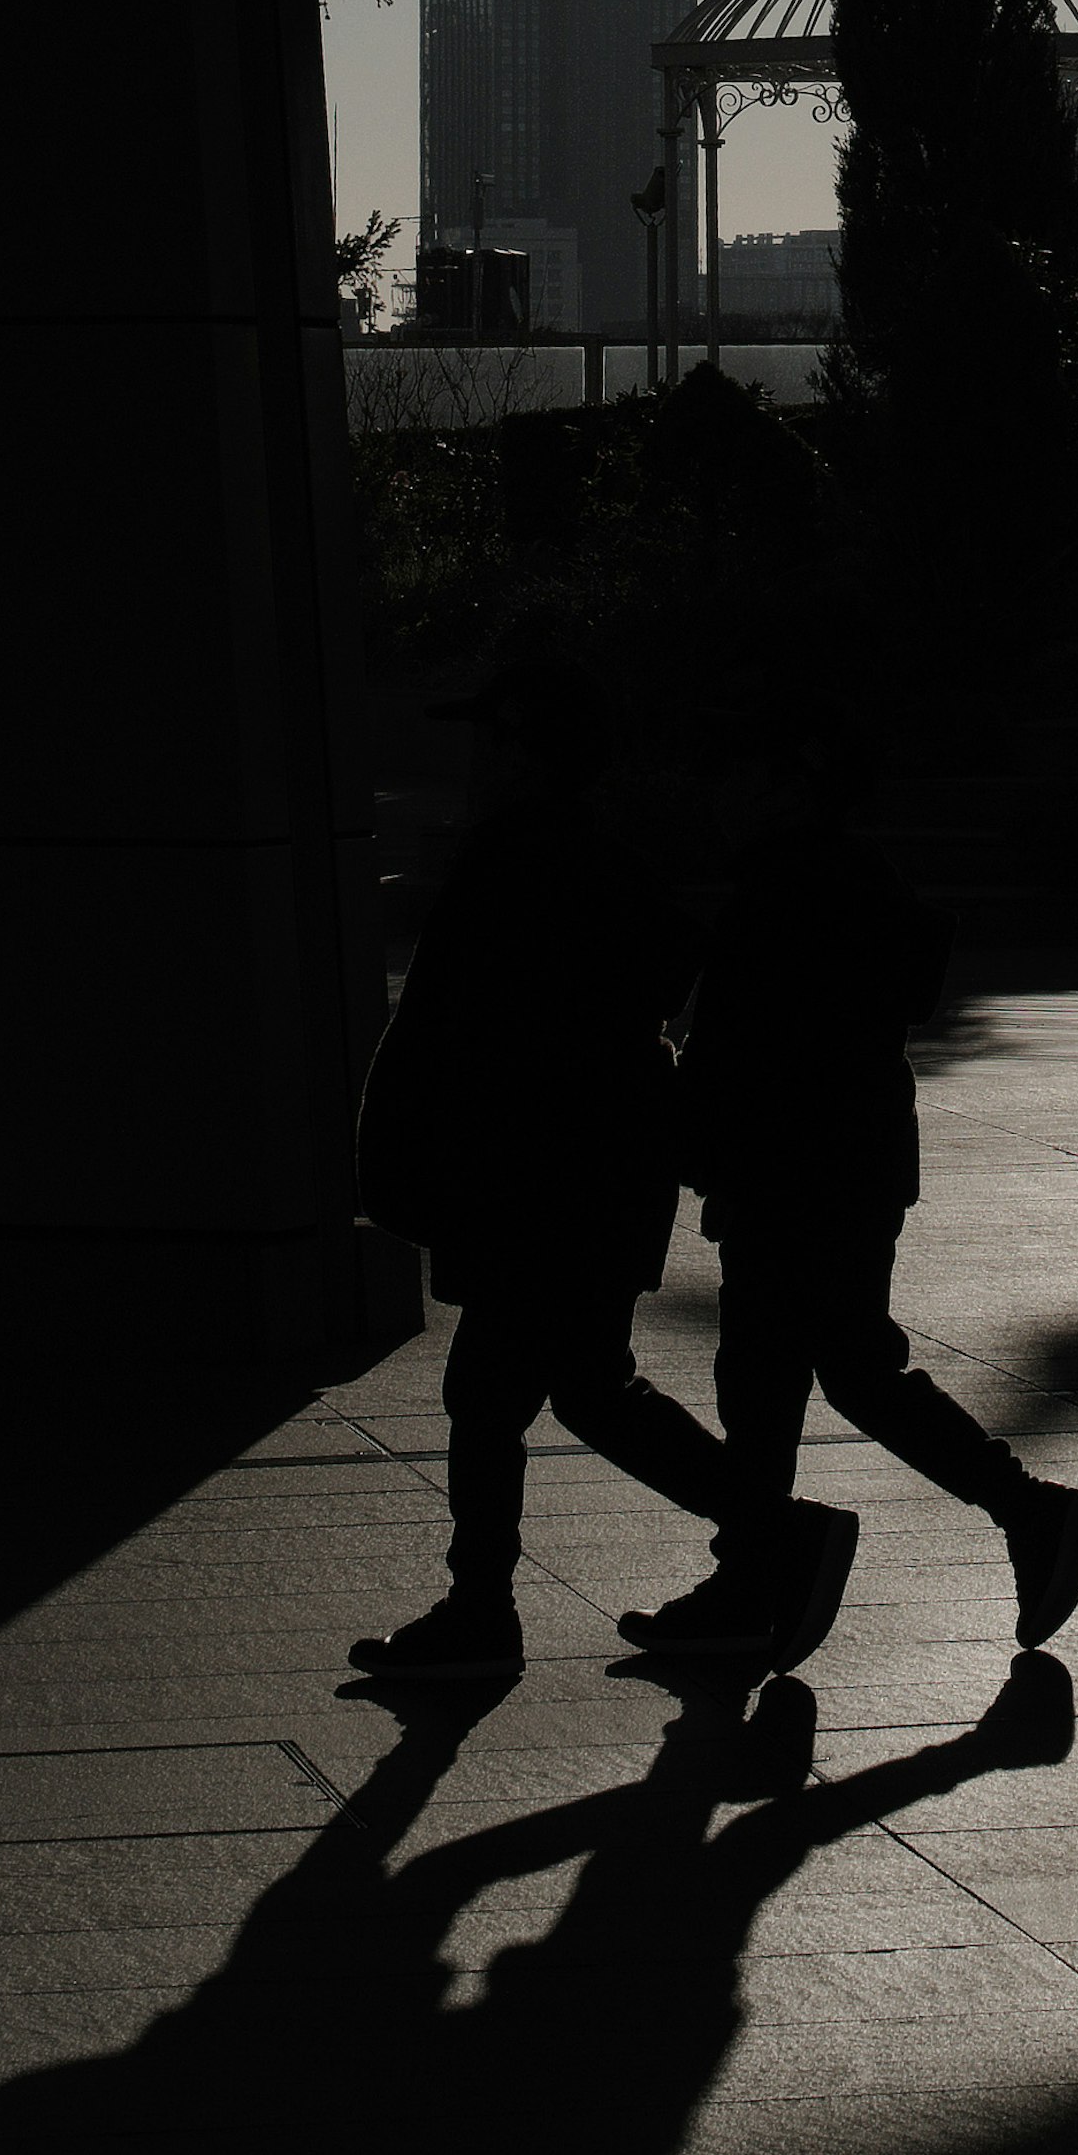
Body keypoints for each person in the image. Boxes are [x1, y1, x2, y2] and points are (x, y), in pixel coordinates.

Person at [351, 636, 855, 1695]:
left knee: (495, 1389)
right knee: (583, 1386)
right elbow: (656, 970)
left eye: (489, 739)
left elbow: (460, 1027)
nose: (474, 760)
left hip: (540, 1182)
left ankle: (485, 1610)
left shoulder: (521, 858)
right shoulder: (585, 855)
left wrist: (429, 1146)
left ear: (525, 751)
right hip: (583, 1178)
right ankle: (770, 1536)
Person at [619, 730, 1078, 1674]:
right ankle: (769, 1569)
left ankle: (772, 1570)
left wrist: (678, 1122)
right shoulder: (841, 878)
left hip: (795, 1173)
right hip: (839, 1168)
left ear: (793, 785)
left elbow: (757, 1053)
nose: (723, 797)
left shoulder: (791, 891)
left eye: (743, 774)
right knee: (831, 1371)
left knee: (775, 1377)